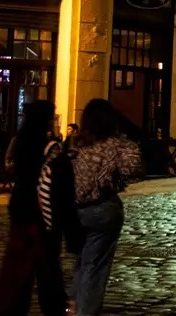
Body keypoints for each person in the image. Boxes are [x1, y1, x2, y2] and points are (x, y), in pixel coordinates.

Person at [0, 100, 67, 315]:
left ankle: (10, 308)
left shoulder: (23, 141)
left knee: (17, 270)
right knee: (47, 269)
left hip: (21, 208)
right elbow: (58, 184)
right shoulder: (49, 148)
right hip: (41, 211)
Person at [69, 99, 142, 315]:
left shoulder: (75, 144)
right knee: (95, 264)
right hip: (103, 209)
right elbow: (135, 167)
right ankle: (85, 309)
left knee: (83, 260)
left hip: (74, 210)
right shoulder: (116, 145)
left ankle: (73, 302)